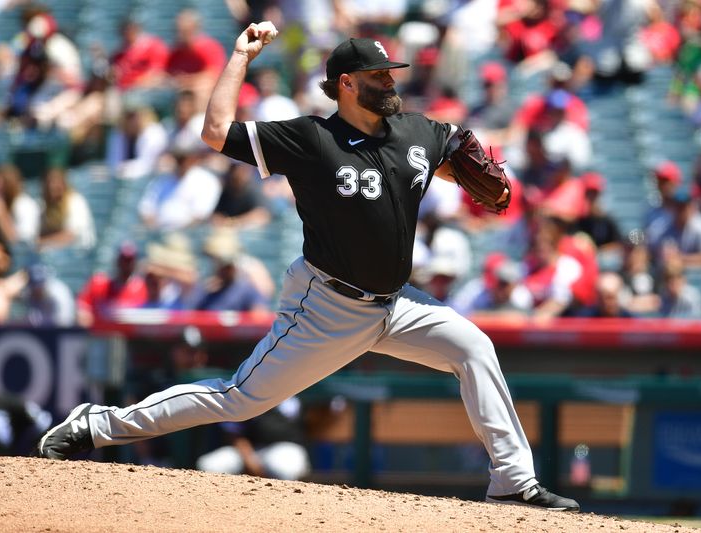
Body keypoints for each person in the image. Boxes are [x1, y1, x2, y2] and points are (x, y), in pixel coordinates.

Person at [37, 27, 579, 512]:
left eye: (392, 72)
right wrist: (239, 58)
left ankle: (512, 481)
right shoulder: (311, 139)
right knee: (239, 399)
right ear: (346, 83)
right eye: (378, 75)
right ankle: (96, 424)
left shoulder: (415, 131)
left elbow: (455, 143)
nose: (390, 81)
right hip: (327, 305)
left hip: (398, 303)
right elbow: (215, 131)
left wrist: (474, 163)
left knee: (474, 348)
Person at [196, 396, 310, 481]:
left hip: (284, 448)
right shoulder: (245, 398)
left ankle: (284, 507)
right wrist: (249, 459)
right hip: (248, 450)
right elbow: (234, 434)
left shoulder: (297, 398)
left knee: (283, 468)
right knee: (210, 465)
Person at [138, 131, 221, 231]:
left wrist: (175, 232)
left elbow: (199, 216)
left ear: (194, 158)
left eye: (184, 158)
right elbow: (147, 208)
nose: (180, 162)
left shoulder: (207, 181)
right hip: (158, 233)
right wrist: (154, 229)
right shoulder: (162, 180)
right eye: (177, 157)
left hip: (188, 236)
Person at [76, 241, 147, 327]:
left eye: (130, 261)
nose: (126, 265)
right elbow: (83, 307)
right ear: (117, 260)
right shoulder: (98, 283)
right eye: (124, 260)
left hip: (129, 336)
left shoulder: (142, 287)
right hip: (101, 334)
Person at [38, 167, 95, 250]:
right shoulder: (44, 205)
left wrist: (42, 242)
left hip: (78, 254)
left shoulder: (76, 201)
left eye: (56, 183)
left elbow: (70, 235)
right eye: (49, 183)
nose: (52, 187)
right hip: (54, 254)